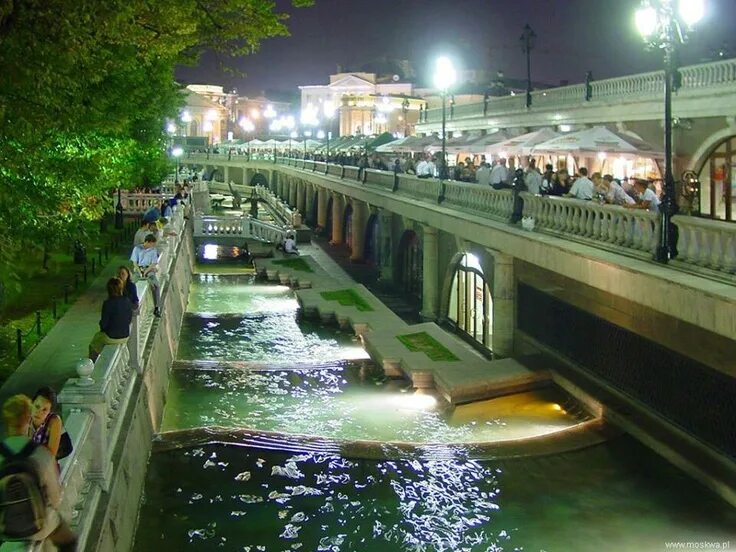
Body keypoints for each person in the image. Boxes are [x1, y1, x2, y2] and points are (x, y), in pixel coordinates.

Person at [0, 395, 78, 550]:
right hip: (40, 525)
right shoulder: (41, 454)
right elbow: (55, 497)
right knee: (69, 542)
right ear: (28, 419)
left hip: (6, 528)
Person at [88, 278, 133, 361]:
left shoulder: (108, 303)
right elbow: (129, 319)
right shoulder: (127, 301)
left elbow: (104, 325)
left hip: (112, 337)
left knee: (94, 344)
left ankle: (92, 365)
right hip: (126, 335)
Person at [130, 234, 161, 317]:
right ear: (147, 242)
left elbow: (154, 263)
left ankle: (157, 307)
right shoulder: (137, 249)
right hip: (138, 269)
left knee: (156, 285)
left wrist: (146, 271)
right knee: (132, 284)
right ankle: (132, 306)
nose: (153, 246)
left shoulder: (153, 250)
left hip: (149, 270)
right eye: (152, 244)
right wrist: (140, 272)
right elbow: (134, 262)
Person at [30, 387, 63, 462]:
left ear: (49, 412)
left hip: (47, 464)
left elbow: (50, 456)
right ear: (32, 403)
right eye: (37, 406)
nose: (39, 412)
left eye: (44, 410)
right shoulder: (25, 417)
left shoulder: (54, 421)